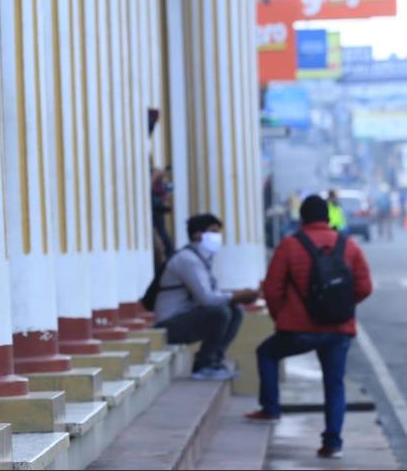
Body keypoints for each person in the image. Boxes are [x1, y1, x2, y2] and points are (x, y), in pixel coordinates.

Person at [245, 195, 373, 460]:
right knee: (334, 385)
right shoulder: (348, 246)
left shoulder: (289, 246)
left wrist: (283, 316)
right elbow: (364, 287)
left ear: (301, 218)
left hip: (298, 329)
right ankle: (333, 443)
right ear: (328, 217)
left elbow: (272, 288)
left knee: (267, 353)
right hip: (339, 329)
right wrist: (343, 308)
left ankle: (270, 408)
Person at [153, 214, 260, 381]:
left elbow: (212, 295)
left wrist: (236, 298)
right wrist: (236, 295)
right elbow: (207, 299)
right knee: (220, 313)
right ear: (197, 234)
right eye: (213, 232)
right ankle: (204, 364)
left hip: (185, 319)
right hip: (169, 325)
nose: (217, 237)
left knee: (235, 311)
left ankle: (215, 360)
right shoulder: (188, 260)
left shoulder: (200, 259)